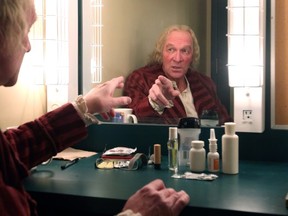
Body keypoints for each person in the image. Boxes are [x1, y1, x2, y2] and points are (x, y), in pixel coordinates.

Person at [0, 1, 190, 216]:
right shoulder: (143, 78)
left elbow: (12, 150)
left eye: (186, 51)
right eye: (26, 30)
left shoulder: (204, 84)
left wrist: (83, 107)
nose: (28, 45)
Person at [123, 25, 232, 125]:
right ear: (161, 52)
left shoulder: (204, 83)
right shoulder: (141, 79)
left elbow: (225, 124)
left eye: (185, 51)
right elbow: (131, 120)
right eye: (171, 50)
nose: (177, 59)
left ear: (192, 55)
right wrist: (155, 103)